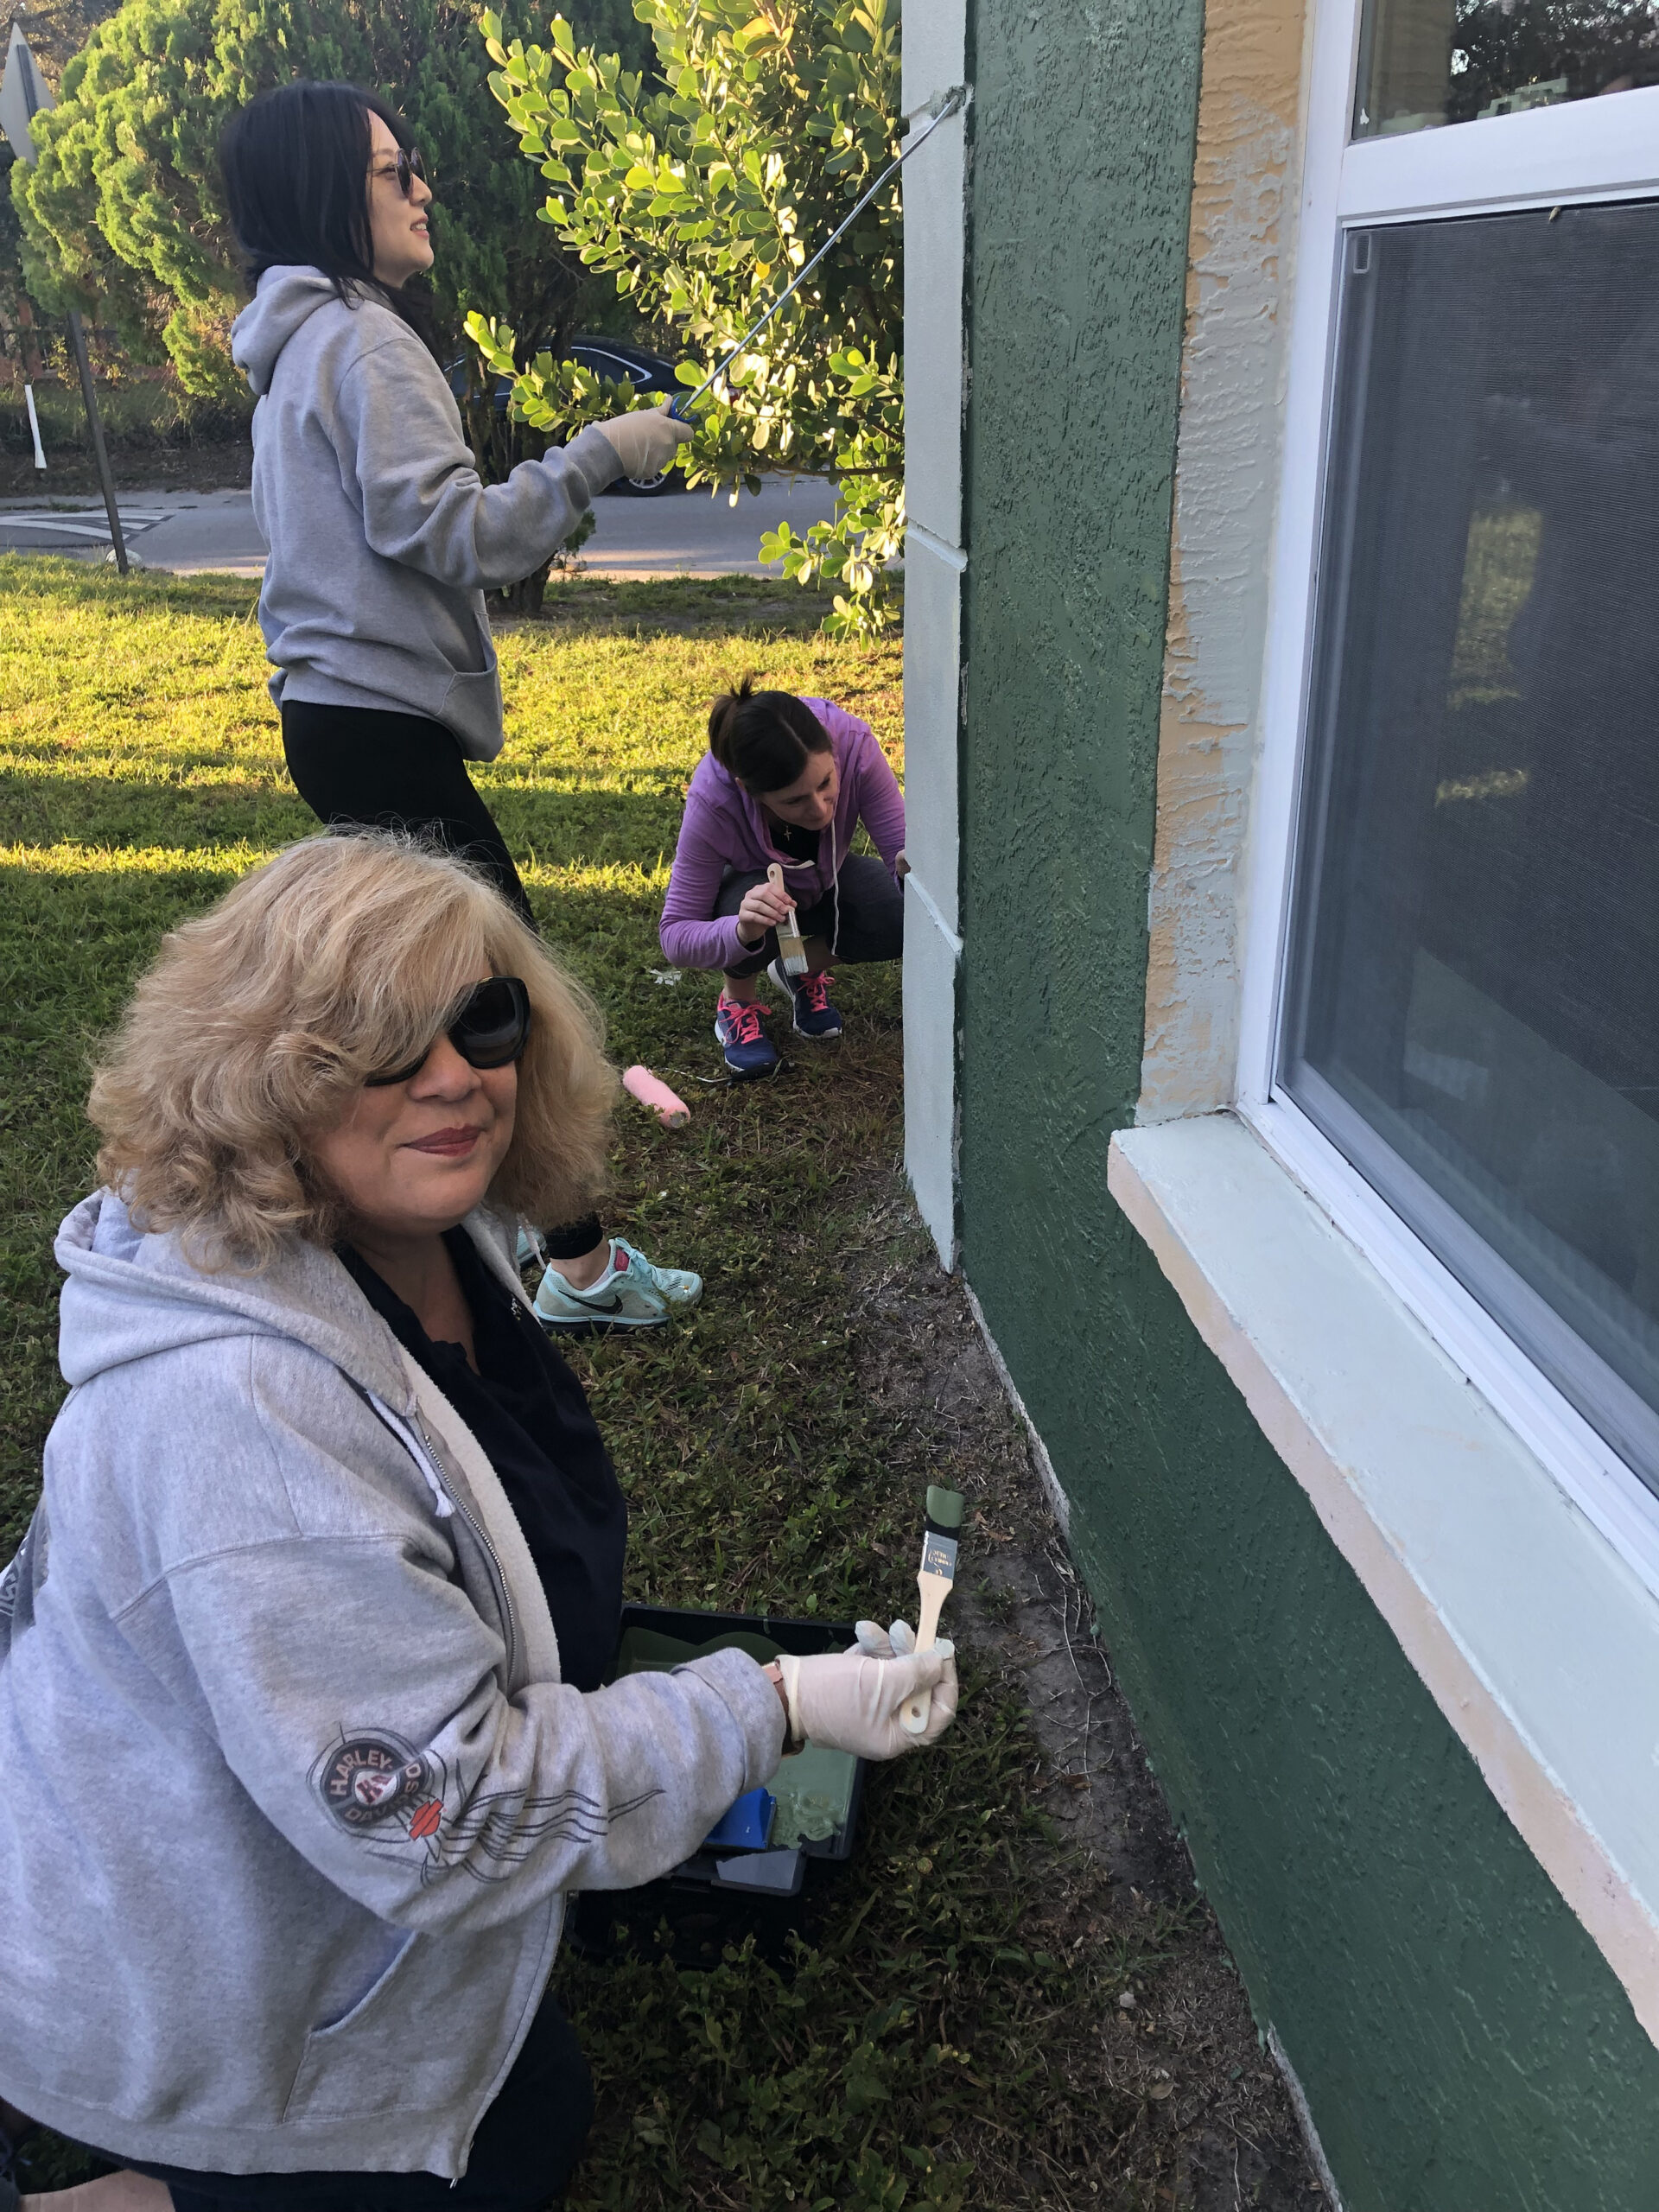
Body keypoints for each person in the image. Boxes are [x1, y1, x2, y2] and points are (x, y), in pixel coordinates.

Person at [0, 835, 959, 2212]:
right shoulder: (237, 1427)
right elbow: (446, 1822)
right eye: (382, 1042)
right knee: (495, 2158)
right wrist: (776, 1703)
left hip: (298, 1841)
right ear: (264, 1073)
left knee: (527, 2106)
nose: (455, 1075)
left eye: (482, 1018)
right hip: (162, 1946)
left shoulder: (422, 1238)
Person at [219, 79, 697, 1332]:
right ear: (336, 194)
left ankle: (461, 1246)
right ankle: (573, 1270)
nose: (424, 190)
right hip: (376, 722)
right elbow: (451, 530)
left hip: (336, 718)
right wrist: (602, 454)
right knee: (500, 1005)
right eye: (396, 172)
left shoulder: (291, 353)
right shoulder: (364, 341)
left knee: (421, 1003)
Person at [659, 680, 906, 1078]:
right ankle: (736, 1002)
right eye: (793, 801)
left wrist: (914, 869)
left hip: (827, 878)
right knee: (753, 904)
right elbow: (675, 935)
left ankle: (798, 968)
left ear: (830, 747)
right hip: (752, 895)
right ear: (749, 791)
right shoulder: (714, 799)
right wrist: (741, 930)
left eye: (826, 783)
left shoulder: (855, 743)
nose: (821, 809)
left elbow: (904, 858)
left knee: (901, 910)